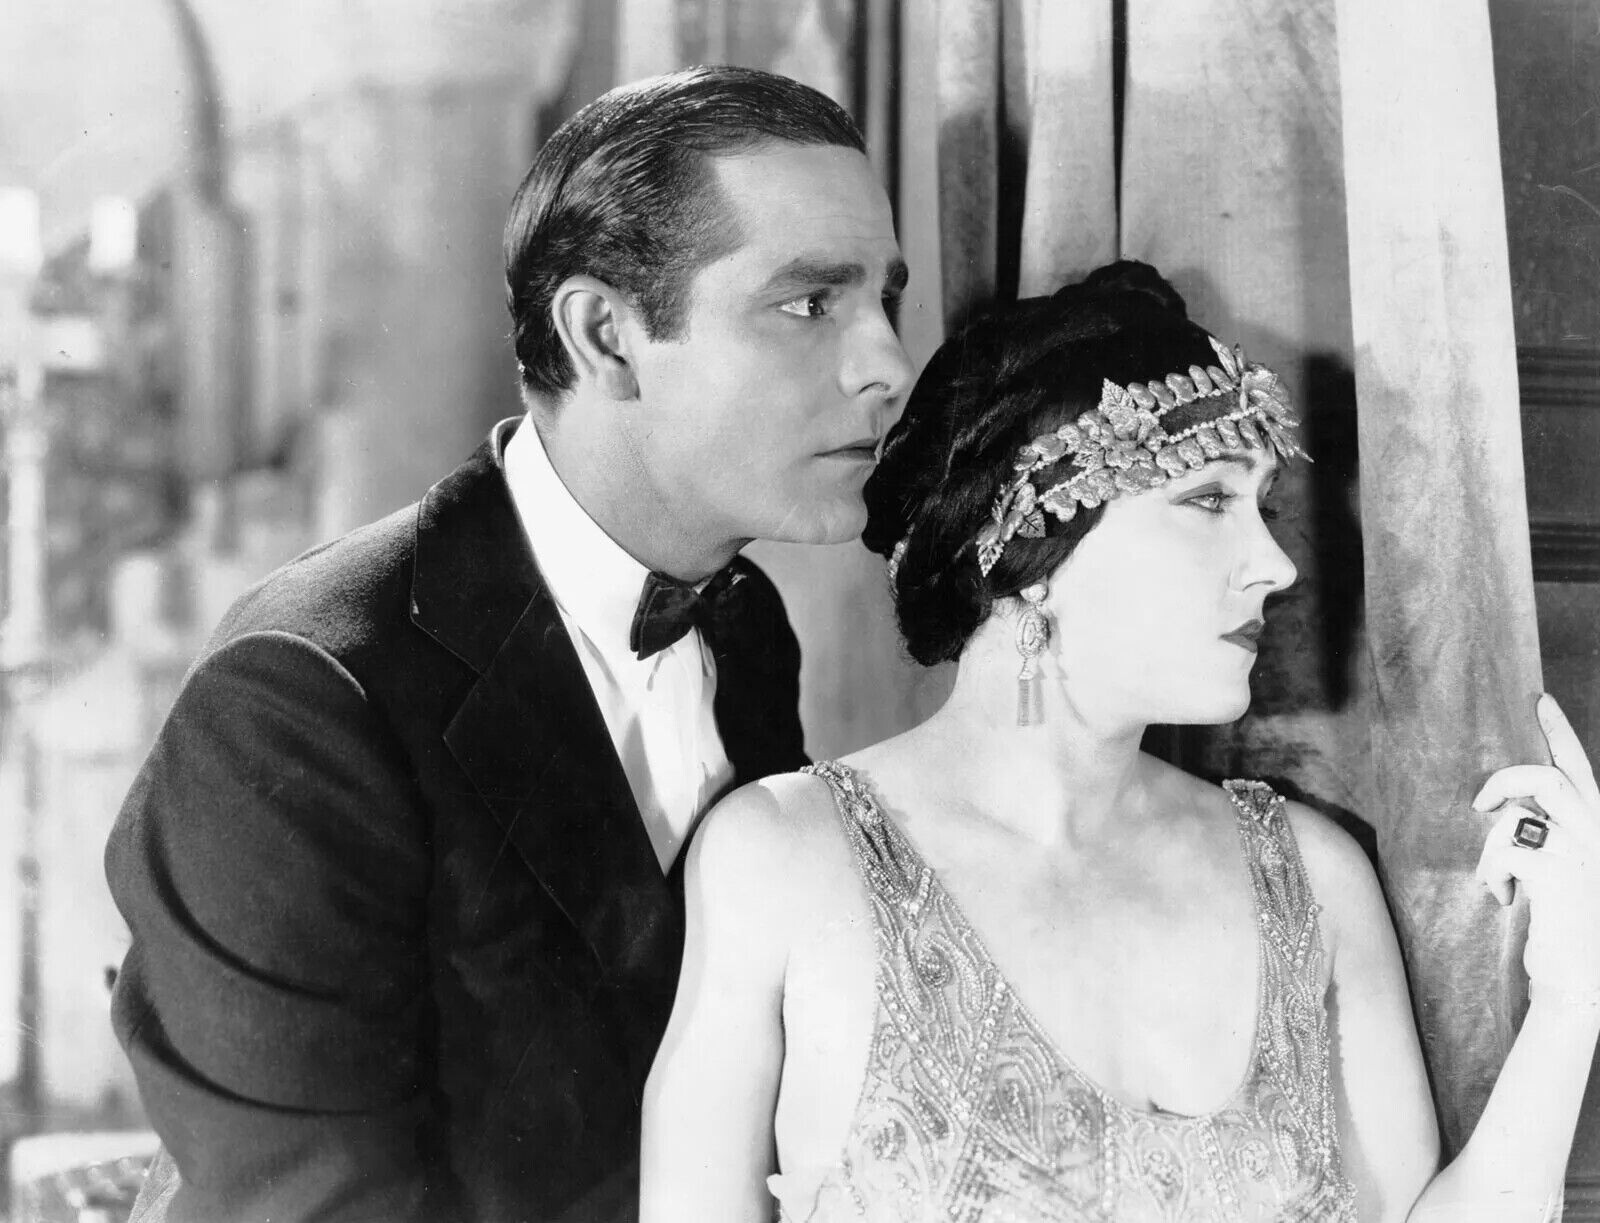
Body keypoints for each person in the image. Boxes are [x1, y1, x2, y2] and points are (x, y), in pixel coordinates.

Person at [106, 65, 913, 1223]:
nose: (886, 364)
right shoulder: (298, 704)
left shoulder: (743, 627)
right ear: (605, 337)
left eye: (886, 299)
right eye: (809, 304)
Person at [640, 261, 1600, 1222]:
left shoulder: (1311, 877)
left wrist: (1572, 998)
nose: (1277, 565)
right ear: (1031, 547)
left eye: (1263, 507)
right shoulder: (782, 859)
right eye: (1210, 500)